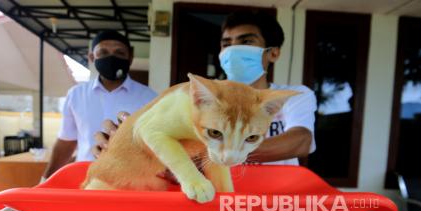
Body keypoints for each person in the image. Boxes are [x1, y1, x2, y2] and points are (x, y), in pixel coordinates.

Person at [93, 11, 316, 168]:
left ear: (273, 53)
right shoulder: (199, 96)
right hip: (219, 199)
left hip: (275, 202)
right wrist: (130, 139)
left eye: (246, 42)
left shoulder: (293, 95)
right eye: (227, 44)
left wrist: (219, 151)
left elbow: (300, 141)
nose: (233, 50)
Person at [42, 30, 157, 179]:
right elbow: (66, 142)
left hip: (130, 180)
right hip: (84, 179)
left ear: (130, 57)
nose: (111, 58)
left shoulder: (150, 98)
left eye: (119, 52)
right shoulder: (76, 95)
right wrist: (45, 179)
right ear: (92, 57)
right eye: (103, 52)